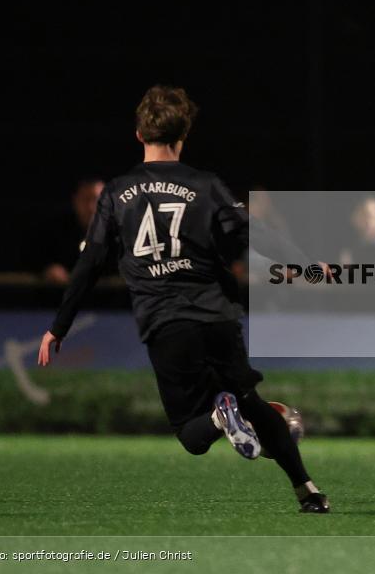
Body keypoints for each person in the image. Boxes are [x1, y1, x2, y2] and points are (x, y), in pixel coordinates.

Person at [37, 85, 329, 513]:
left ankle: (218, 417)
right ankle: (309, 491)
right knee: (254, 404)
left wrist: (58, 326)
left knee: (191, 435)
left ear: (139, 134)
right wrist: (303, 262)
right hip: (216, 315)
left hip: (165, 322)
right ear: (184, 135)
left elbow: (90, 263)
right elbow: (252, 233)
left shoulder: (117, 192)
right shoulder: (205, 185)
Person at [42, 179, 106, 283]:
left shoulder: (121, 234)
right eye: (85, 199)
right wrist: (49, 268)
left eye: (95, 199)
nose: (90, 207)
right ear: (75, 200)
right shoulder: (55, 232)